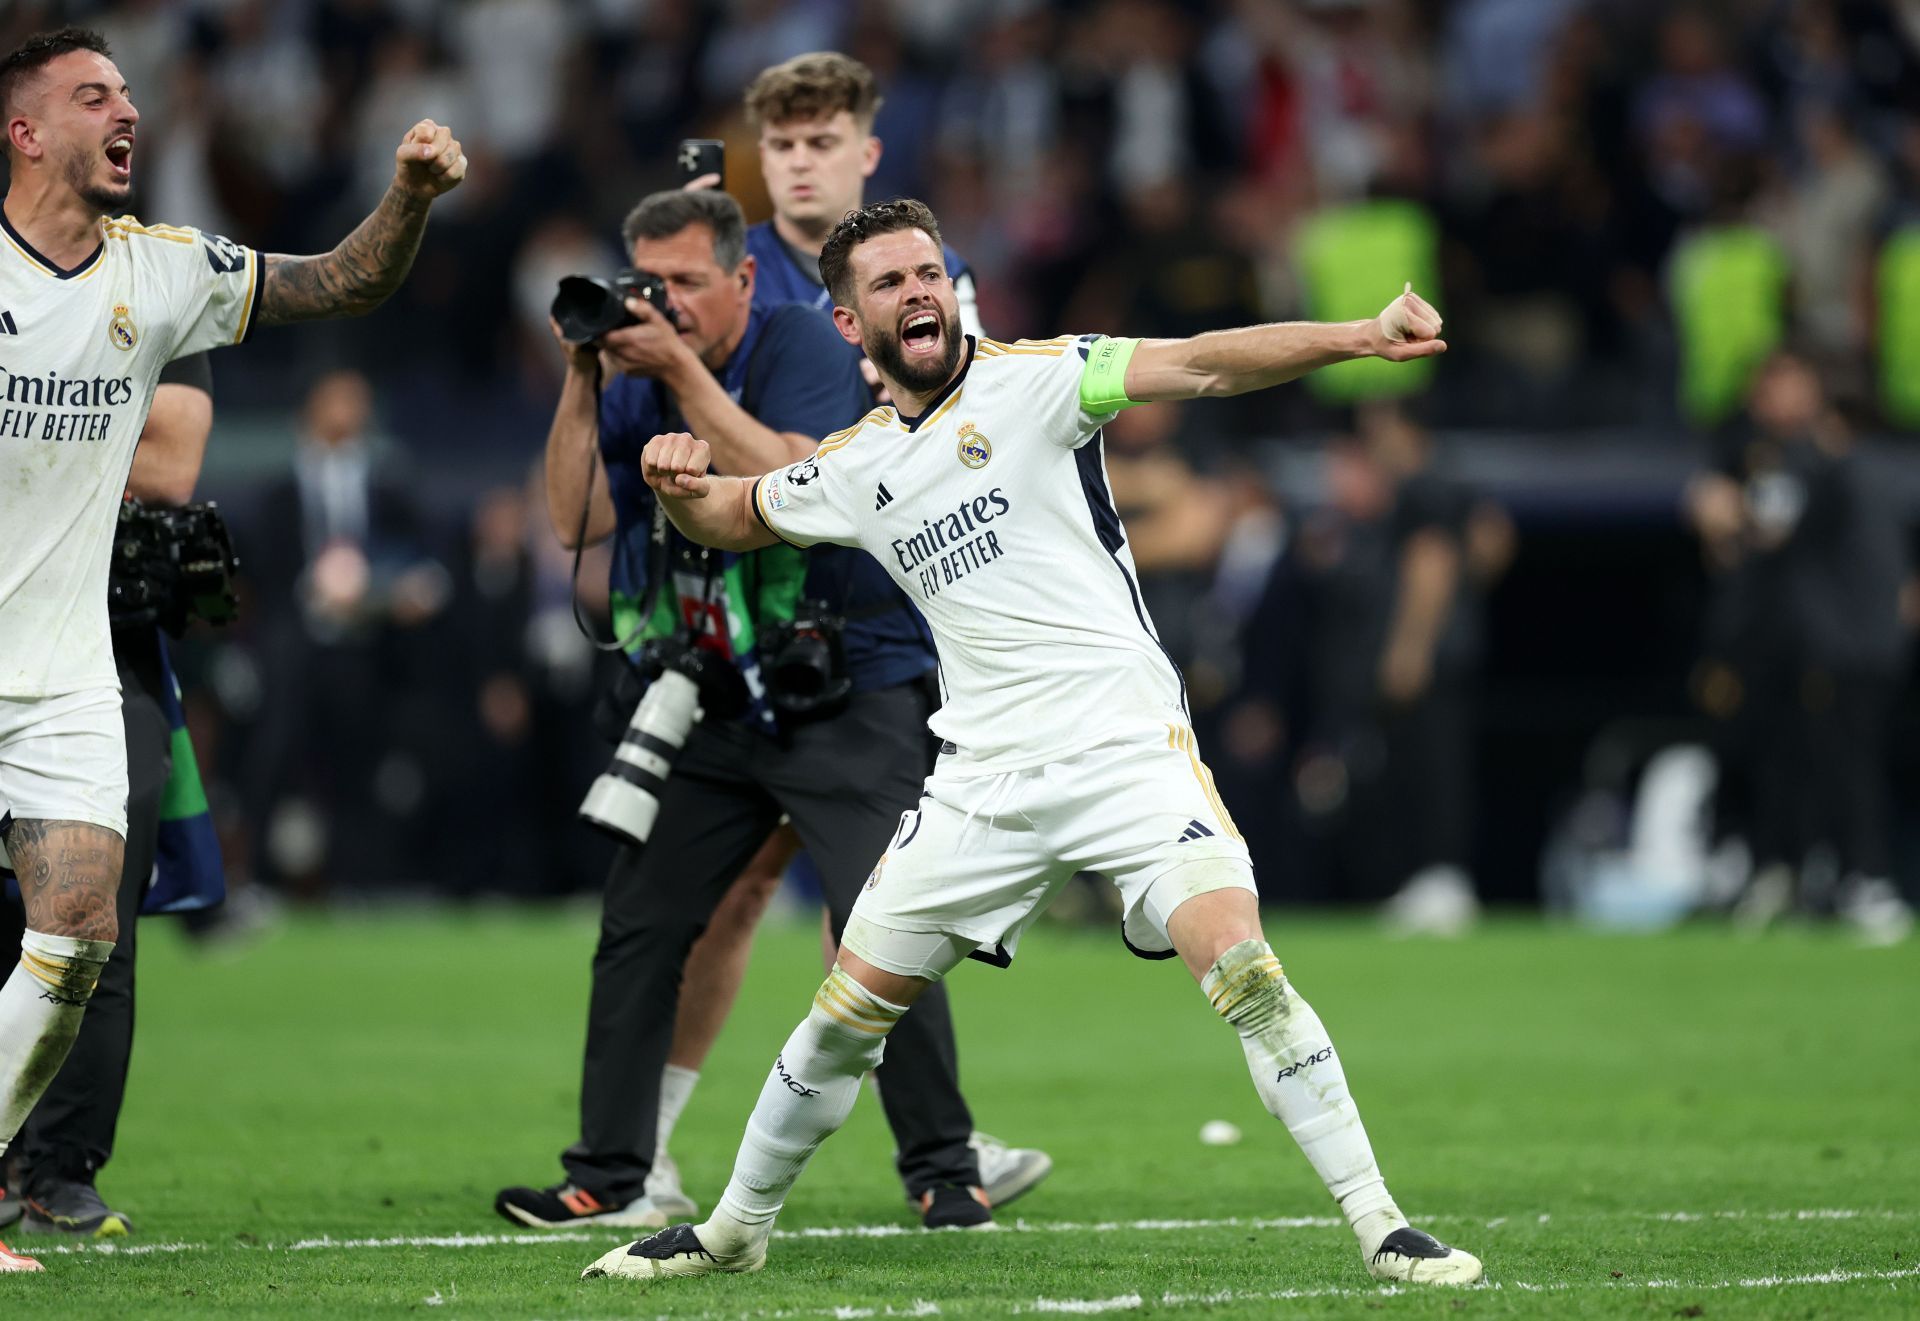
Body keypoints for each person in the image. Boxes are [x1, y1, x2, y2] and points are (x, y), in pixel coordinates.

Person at [581, 199, 1483, 1288]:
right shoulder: (860, 464)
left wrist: (1355, 337)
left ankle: (1383, 1225)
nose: (918, 290)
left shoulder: (1046, 377)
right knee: (844, 1017)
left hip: (1122, 750)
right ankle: (732, 1229)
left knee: (1242, 967)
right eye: (890, 281)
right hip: (980, 780)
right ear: (844, 322)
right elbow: (734, 514)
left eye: (929, 273)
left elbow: (1201, 364)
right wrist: (676, 489)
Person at [0, 26, 464, 1274]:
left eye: (132, 93)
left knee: (84, 923)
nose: (128, 111)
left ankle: (28, 1172)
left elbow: (340, 282)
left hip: (64, 671)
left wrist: (405, 198)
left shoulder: (161, 273)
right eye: (94, 94)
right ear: (24, 129)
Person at [493, 189, 1019, 1235]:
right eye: (649, 284)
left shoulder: (795, 341)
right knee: (642, 923)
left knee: (888, 919)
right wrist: (583, 370)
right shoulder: (634, 370)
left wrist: (680, 374)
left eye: (687, 283)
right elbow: (572, 518)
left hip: (848, 687)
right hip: (717, 692)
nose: (666, 304)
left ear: (740, 279)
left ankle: (944, 1168)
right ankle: (611, 1172)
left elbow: (798, 472)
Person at [646, 50, 1045, 1217]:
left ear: (868, 152)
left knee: (877, 899)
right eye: (781, 145)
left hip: (870, 629)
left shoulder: (916, 276)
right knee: (732, 897)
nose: (800, 161)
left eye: (823, 142)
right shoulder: (717, 261)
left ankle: (937, 1154)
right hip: (737, 622)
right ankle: (652, 1147)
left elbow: (926, 440)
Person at [0, 354, 216, 1239]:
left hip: (99, 646)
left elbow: (171, 465)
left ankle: (58, 1168)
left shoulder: (149, 284)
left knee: (94, 913)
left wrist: (36, 446)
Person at [1685, 349, 1914, 944]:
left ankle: (1862, 878)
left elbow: (1775, 525)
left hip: (1842, 643)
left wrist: (1733, 513)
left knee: (1846, 763)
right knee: (1764, 759)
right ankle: (1774, 872)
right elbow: (1735, 545)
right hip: (1771, 644)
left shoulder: (1833, 463)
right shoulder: (1743, 452)